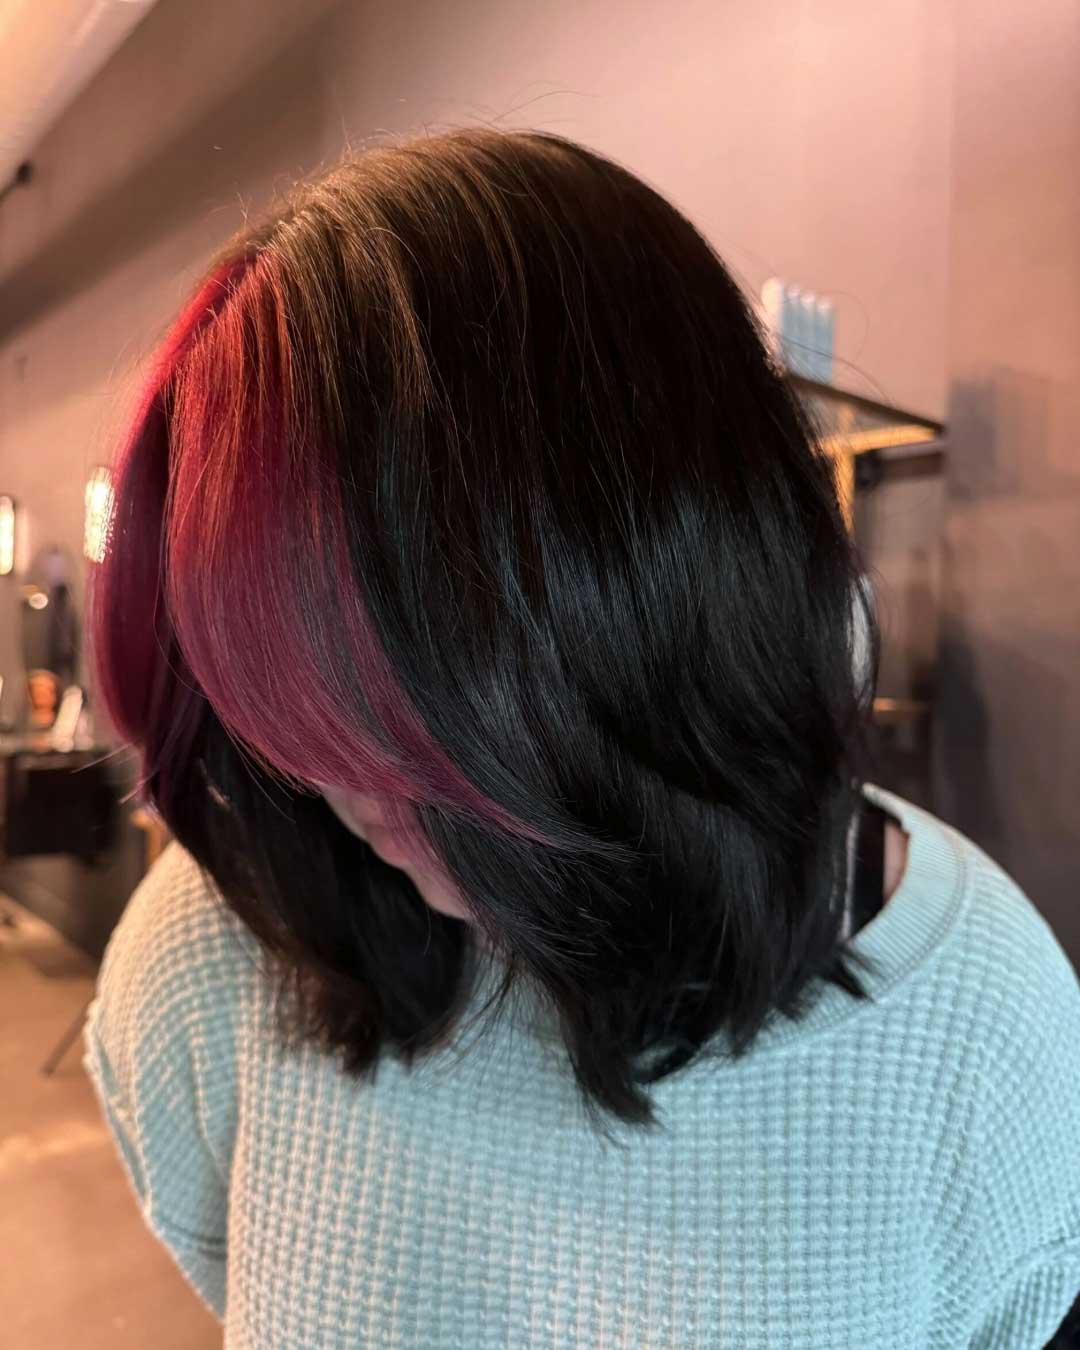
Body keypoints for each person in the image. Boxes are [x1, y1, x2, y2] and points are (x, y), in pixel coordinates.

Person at [85, 129, 1080, 1349]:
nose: (344, 785)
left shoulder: (980, 1019)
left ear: (669, 581)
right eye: (283, 696)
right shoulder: (214, 949)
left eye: (396, 701)